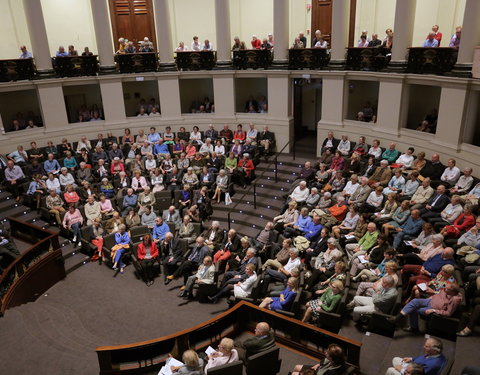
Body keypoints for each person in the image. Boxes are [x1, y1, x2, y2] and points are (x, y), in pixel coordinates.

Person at [390, 283, 462, 333]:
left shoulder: (455, 300)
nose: (444, 289)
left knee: (413, 310)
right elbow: (440, 294)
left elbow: (448, 313)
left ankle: (414, 328)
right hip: (430, 300)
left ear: (452, 291)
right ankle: (398, 318)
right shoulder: (447, 290)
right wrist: (432, 295)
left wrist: (433, 310)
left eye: (446, 289)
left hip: (433, 308)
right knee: (415, 301)